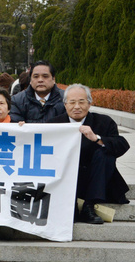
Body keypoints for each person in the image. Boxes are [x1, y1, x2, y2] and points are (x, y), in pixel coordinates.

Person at [48, 84, 130, 224]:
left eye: (82, 102)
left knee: (105, 153)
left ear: (90, 103)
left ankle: (89, 206)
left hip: (98, 180)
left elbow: (122, 144)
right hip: (68, 179)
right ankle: (70, 206)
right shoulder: (54, 124)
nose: (77, 106)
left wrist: (97, 139)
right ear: (65, 104)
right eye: (72, 102)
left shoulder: (104, 122)